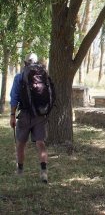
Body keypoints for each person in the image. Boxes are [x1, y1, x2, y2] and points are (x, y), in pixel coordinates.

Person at [9, 53, 49, 183]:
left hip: (25, 114)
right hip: (40, 114)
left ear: (25, 63)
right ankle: (44, 172)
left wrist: (12, 115)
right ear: (37, 63)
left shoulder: (19, 77)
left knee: (21, 144)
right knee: (40, 143)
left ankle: (20, 171)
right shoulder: (43, 76)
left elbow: (14, 97)